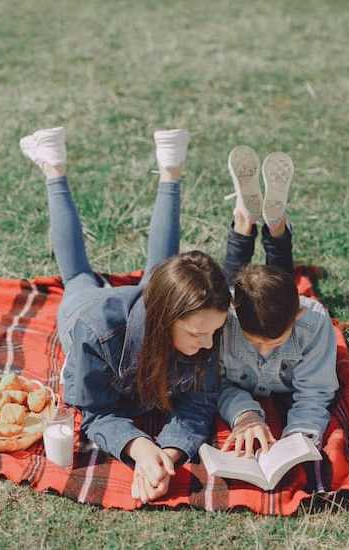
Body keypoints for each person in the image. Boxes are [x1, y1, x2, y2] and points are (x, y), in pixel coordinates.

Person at [19, 126, 230, 503]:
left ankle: (171, 171)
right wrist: (138, 447)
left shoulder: (205, 323)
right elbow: (94, 412)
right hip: (90, 309)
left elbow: (200, 401)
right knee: (79, 276)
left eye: (214, 332)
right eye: (198, 334)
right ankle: (54, 167)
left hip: (150, 302)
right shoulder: (93, 331)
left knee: (162, 271)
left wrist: (167, 454)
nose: (209, 344)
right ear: (166, 318)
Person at [218, 145, 339, 457]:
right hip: (237, 298)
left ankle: (252, 219)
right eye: (254, 341)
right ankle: (259, 219)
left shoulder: (312, 323)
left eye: (277, 340)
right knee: (235, 280)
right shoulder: (221, 315)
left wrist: (299, 438)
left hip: (274, 302)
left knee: (275, 280)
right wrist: (245, 414)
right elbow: (212, 381)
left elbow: (315, 392)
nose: (264, 352)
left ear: (297, 315)